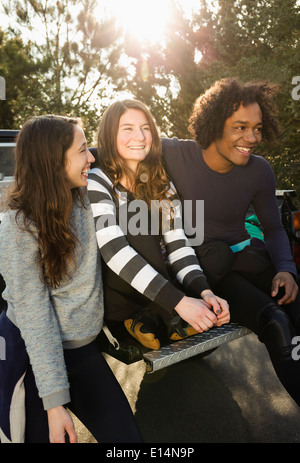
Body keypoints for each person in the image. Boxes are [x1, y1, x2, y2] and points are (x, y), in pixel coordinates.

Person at [0, 115, 143, 443]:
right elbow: (36, 321)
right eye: (82, 151)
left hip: (81, 350)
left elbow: (122, 151)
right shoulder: (18, 229)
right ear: (54, 162)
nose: (91, 157)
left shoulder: (84, 197)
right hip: (32, 356)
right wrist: (54, 403)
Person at [161, 77, 300, 405]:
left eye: (257, 128)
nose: (251, 138)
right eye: (240, 127)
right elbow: (115, 145)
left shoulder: (259, 171)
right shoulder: (175, 153)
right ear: (214, 124)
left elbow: (274, 228)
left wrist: (286, 269)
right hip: (209, 272)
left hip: (248, 257)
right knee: (276, 321)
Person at [87, 99, 229, 351]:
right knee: (136, 220)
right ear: (110, 135)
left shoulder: (161, 182)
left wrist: (205, 293)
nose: (139, 136)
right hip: (119, 290)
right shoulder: (98, 181)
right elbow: (113, 251)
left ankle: (153, 319)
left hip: (158, 285)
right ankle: (166, 317)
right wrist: (180, 302)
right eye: (127, 128)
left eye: (145, 128)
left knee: (218, 253)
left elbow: (178, 245)